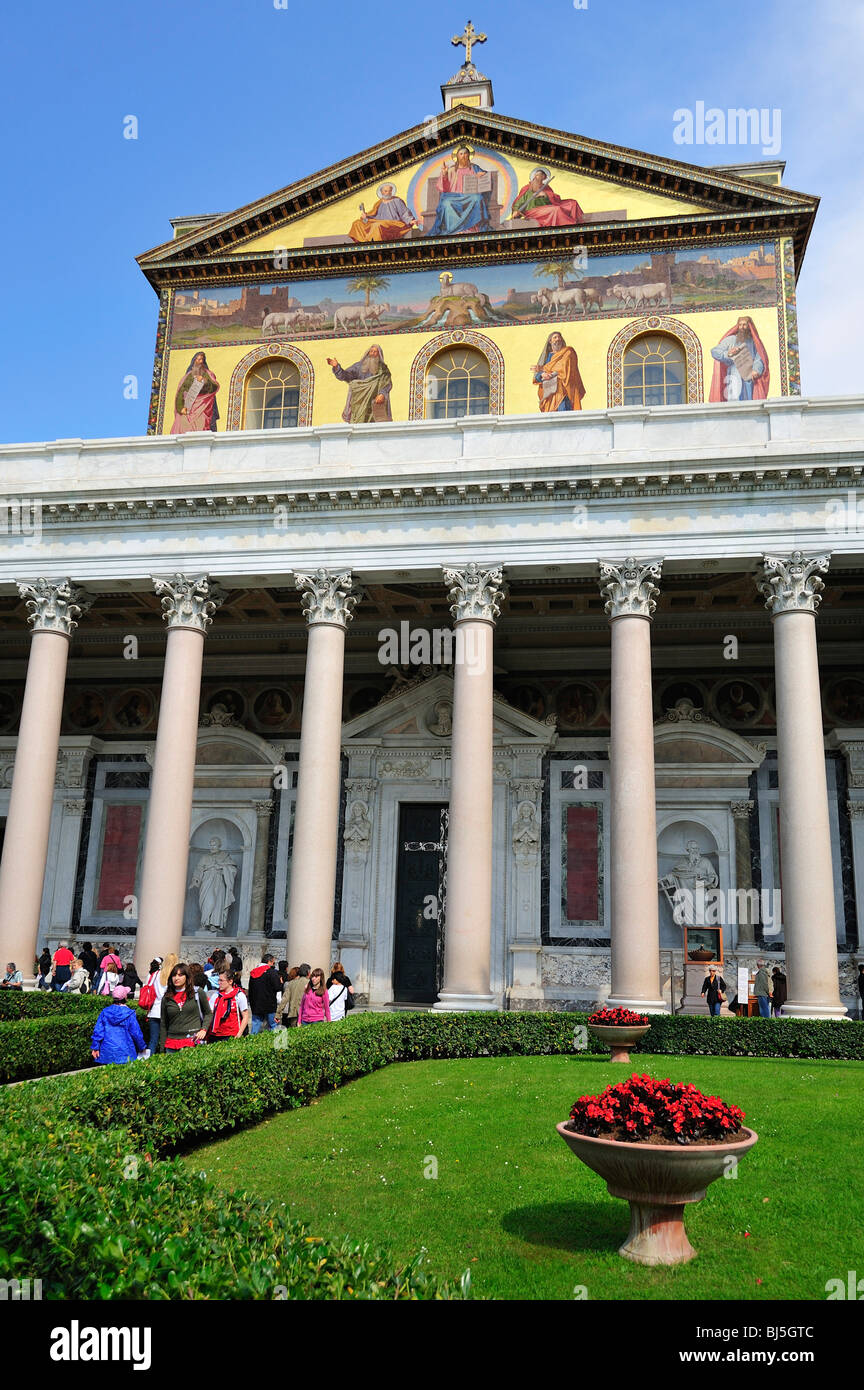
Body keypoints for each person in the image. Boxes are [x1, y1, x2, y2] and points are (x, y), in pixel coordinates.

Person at [430, 147, 492, 235]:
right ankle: (454, 230)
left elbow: (485, 177)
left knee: (477, 198)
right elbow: (443, 188)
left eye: (465, 153)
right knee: (446, 203)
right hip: (454, 196)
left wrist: (482, 174)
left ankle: (472, 228)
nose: (463, 156)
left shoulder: (474, 168)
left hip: (469, 195)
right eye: (461, 154)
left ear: (469, 156)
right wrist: (444, 174)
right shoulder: (451, 170)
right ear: (457, 157)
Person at [709, 317, 770, 402]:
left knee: (748, 400)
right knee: (734, 398)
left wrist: (756, 369)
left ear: (749, 326)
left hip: (748, 375)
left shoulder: (754, 342)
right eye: (740, 325)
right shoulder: (730, 340)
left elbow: (759, 357)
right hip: (734, 374)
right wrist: (728, 353)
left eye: (744, 325)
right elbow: (714, 351)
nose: (742, 327)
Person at [326, 345, 392, 424]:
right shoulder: (358, 366)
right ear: (368, 353)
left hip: (375, 402)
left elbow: (386, 382)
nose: (373, 353)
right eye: (371, 351)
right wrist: (337, 367)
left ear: (379, 354)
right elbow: (345, 376)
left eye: (375, 352)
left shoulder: (383, 369)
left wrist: (382, 393)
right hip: (359, 402)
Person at [159, 962, 213, 1054]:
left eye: (180, 975)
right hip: (171, 1044)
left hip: (193, 1041)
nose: (176, 978)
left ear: (187, 976)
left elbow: (208, 1013)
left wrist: (204, 1029)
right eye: (174, 975)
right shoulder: (166, 997)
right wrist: (162, 1047)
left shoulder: (198, 992)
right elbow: (164, 1023)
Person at [90, 985, 145, 1066]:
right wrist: (142, 1047)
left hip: (107, 1052)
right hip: (125, 1053)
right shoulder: (129, 1014)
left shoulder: (105, 1012)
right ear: (125, 997)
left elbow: (98, 1031)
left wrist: (95, 1047)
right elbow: (136, 1033)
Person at [531, 332, 586, 413]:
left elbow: (566, 369)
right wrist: (542, 374)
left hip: (564, 390)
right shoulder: (547, 357)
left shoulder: (568, 353)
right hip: (550, 393)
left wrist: (550, 373)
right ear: (550, 341)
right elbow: (537, 375)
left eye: (559, 337)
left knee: (564, 412)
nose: (558, 339)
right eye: (555, 337)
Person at [511, 168, 584, 227]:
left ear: (544, 177)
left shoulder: (546, 188)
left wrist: (545, 195)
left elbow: (555, 200)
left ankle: (579, 222)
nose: (537, 178)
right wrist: (515, 211)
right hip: (533, 211)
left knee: (572, 203)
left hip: (547, 207)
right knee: (556, 209)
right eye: (536, 176)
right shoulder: (527, 189)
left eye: (540, 176)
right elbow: (518, 202)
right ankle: (570, 226)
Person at [348, 182, 418, 242]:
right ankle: (363, 243)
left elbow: (404, 213)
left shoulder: (397, 201)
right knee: (357, 223)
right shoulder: (379, 203)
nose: (388, 193)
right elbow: (373, 214)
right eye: (386, 191)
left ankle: (373, 244)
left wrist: (410, 220)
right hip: (379, 222)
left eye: (389, 191)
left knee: (377, 226)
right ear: (381, 192)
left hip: (394, 223)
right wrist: (366, 216)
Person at [170, 352, 219, 434]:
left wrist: (204, 381)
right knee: (183, 424)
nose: (199, 361)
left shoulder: (208, 374)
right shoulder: (188, 376)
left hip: (203, 406)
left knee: (201, 426)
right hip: (188, 407)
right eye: (197, 359)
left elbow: (214, 386)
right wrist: (180, 407)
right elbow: (181, 391)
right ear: (194, 361)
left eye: (201, 359)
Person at [208, 970, 251, 1042]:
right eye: (219, 980)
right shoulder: (215, 996)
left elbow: (245, 1016)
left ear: (230, 981)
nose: (219, 983)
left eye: (221, 980)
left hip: (232, 1034)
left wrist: (239, 1034)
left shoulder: (239, 995)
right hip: (215, 1034)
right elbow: (210, 1014)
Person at [247, 953, 281, 1033]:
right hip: (270, 1004)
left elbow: (250, 990)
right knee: (273, 1026)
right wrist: (280, 982)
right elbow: (277, 987)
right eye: (273, 963)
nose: (273, 965)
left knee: (255, 1026)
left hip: (256, 1004)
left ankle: (251, 1043)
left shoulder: (253, 973)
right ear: (269, 962)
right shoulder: (272, 972)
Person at [139, 957, 165, 1058]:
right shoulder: (161, 974)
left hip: (153, 1011)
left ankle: (148, 1059)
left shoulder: (151, 975)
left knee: (153, 1039)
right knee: (164, 1039)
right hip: (162, 1011)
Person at [276, 964, 309, 1028]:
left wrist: (278, 1014)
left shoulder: (291, 983)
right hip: (306, 1014)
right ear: (308, 972)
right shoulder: (309, 983)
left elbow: (284, 999)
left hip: (293, 1013)